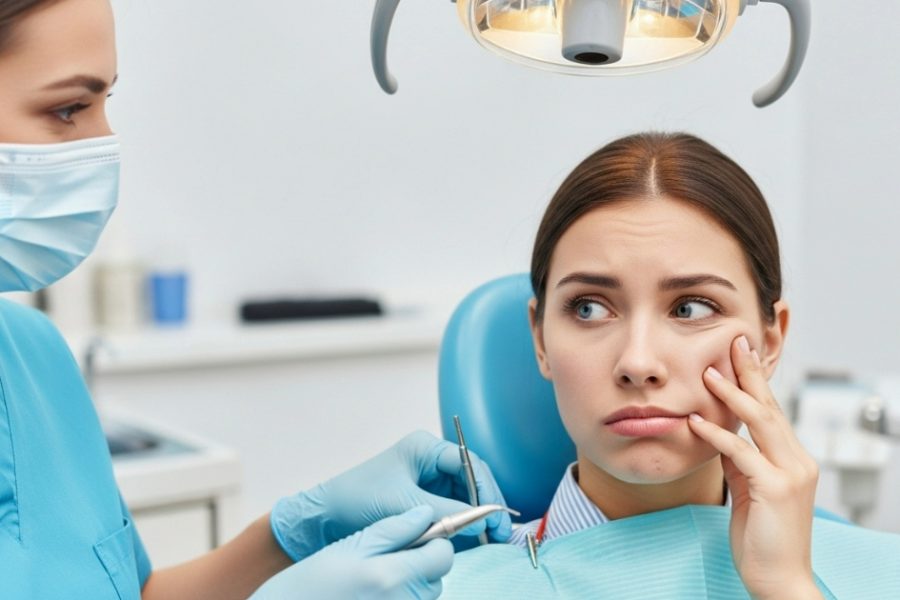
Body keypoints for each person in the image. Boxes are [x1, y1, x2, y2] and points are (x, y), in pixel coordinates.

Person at [0, 1, 511, 598]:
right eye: (68, 109)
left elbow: (136, 594)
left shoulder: (32, 354)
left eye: (105, 103)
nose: (105, 143)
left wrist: (294, 531)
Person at [441, 132, 900, 599]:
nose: (638, 363)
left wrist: (787, 588)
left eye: (691, 308)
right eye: (589, 308)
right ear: (540, 338)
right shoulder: (442, 589)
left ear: (769, 340)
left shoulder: (886, 574)